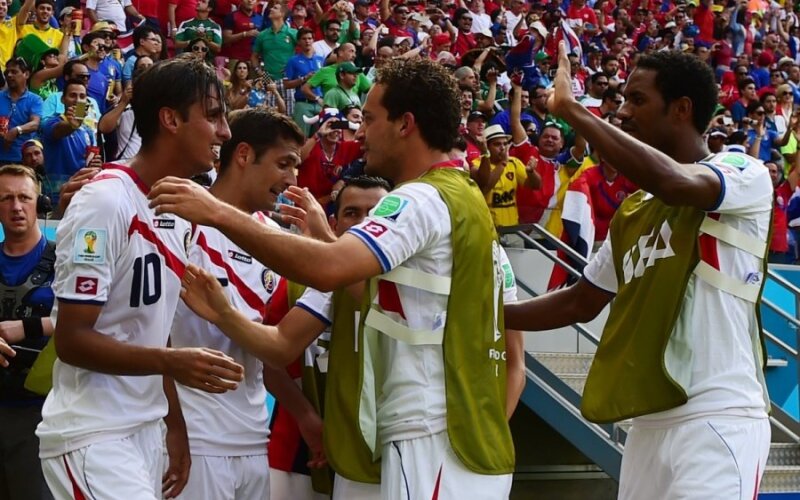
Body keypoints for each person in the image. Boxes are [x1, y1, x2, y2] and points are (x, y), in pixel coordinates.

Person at [150, 57, 516, 500]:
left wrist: (216, 213)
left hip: (432, 429)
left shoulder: (421, 199)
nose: (360, 132)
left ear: (406, 124)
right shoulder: (464, 199)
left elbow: (328, 270)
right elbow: (361, 289)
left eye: (373, 118)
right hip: (430, 431)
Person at [506, 42, 772, 500]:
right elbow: (580, 301)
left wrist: (574, 112)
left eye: (637, 100)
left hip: (719, 415)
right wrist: (488, 312)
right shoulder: (634, 209)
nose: (623, 112)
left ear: (681, 109)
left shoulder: (742, 172)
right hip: (648, 422)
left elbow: (675, 182)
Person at [35, 57, 243, 500]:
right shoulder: (105, 202)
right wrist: (172, 365)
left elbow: (155, 330)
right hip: (93, 433)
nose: (225, 131)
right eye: (213, 116)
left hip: (145, 428)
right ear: (170, 119)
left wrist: (174, 422)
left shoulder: (181, 210)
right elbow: (72, 340)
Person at [169, 109, 304, 500]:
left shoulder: (275, 238)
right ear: (243, 154)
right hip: (197, 439)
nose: (292, 179)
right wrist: (173, 424)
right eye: (284, 164)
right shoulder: (180, 224)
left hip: (252, 434)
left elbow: (275, 345)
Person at [0, 165, 55, 500]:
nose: (16, 206)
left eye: (24, 197)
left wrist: (27, 327)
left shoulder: (66, 260)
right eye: (6, 198)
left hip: (42, 412)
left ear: (40, 203)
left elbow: (96, 319)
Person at [40, 79, 101, 207]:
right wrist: (71, 125)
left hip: (80, 196)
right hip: (54, 197)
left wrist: (95, 163)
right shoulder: (50, 123)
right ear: (63, 99)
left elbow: (89, 161)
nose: (78, 100)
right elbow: (58, 131)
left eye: (82, 96)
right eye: (73, 95)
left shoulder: (88, 131)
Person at [471, 124, 541, 228]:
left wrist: (531, 172)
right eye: (497, 144)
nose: (502, 148)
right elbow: (485, 188)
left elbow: (536, 185)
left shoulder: (514, 162)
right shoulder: (477, 165)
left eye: (505, 144)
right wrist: (503, 163)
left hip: (513, 228)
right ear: (487, 147)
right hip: (489, 229)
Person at [0, 57, 43, 165]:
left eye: (14, 72)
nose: (9, 75)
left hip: (23, 159)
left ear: (26, 74)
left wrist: (16, 130)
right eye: (7, 72)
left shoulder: (35, 99)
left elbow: (35, 123)